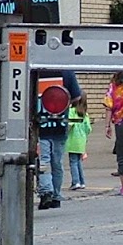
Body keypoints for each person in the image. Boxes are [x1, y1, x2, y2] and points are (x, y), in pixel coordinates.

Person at [36, 70, 84, 210]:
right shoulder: (66, 71)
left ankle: (46, 192)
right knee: (57, 163)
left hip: (41, 125)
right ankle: (56, 195)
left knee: (43, 161)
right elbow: (76, 97)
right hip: (60, 124)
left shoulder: (35, 69)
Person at [65, 103, 91, 191]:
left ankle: (75, 182)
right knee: (78, 161)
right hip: (82, 139)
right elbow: (88, 128)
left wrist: (64, 133)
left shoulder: (72, 111)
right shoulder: (85, 113)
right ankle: (82, 181)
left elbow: (70, 124)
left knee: (73, 162)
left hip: (73, 139)